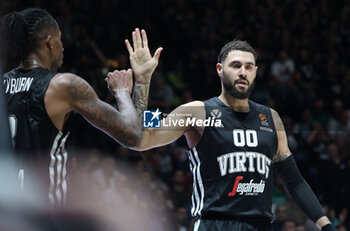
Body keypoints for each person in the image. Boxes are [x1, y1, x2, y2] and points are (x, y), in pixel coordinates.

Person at [107, 30, 336, 231]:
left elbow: (294, 181)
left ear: (256, 72)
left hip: (261, 225)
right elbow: (140, 133)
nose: (243, 72)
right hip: (213, 223)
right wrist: (143, 79)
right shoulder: (197, 111)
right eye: (236, 65)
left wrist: (325, 225)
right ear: (219, 69)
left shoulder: (271, 118)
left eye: (248, 67)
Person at [0, 8, 159, 207]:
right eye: (60, 39)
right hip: (43, 217)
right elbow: (133, 134)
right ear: (49, 42)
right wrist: (123, 91)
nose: (63, 47)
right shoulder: (63, 85)